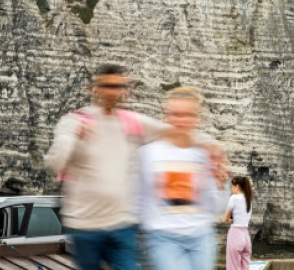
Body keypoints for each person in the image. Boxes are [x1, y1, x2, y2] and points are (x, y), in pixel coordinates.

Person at [45, 65, 222, 270]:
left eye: (119, 86)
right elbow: (54, 164)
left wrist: (211, 144)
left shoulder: (132, 123)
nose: (114, 91)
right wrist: (73, 137)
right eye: (107, 86)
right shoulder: (73, 122)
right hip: (85, 225)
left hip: (122, 225)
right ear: (92, 89)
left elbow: (173, 132)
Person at [137, 87, 227, 270]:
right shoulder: (149, 153)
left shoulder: (207, 153)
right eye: (175, 114)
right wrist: (150, 227)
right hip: (163, 238)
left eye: (187, 115)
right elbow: (139, 198)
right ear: (166, 116)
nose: (181, 120)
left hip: (201, 237)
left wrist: (220, 183)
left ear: (196, 118)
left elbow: (217, 207)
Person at [224, 176, 253, 270]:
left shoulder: (234, 198)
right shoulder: (249, 200)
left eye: (232, 187)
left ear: (236, 186)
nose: (232, 189)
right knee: (245, 266)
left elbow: (225, 218)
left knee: (233, 266)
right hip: (246, 236)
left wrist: (229, 219)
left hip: (236, 234)